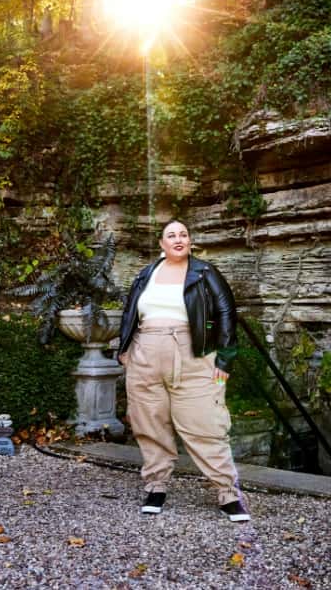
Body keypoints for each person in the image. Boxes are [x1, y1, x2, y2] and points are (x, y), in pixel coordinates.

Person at [116, 219, 250, 522]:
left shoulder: (204, 272)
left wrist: (225, 360)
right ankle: (156, 486)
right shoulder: (146, 274)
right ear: (162, 244)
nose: (178, 239)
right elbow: (130, 311)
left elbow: (226, 313)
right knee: (149, 422)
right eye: (171, 235)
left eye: (183, 234)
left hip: (194, 355)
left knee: (206, 423)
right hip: (145, 354)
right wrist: (124, 351)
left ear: (190, 242)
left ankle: (228, 492)